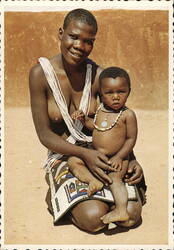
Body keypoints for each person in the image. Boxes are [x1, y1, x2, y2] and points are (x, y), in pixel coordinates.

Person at [29, 8, 146, 233]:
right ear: (61, 33)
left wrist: (130, 159)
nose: (80, 46)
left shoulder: (98, 76)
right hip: (67, 157)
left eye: (88, 41)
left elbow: (118, 122)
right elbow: (44, 135)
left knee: (131, 216)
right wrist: (84, 154)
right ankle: (56, 192)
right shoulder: (40, 74)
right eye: (73, 37)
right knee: (94, 218)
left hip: (105, 155)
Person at [68, 66, 137, 224]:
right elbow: (96, 127)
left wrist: (120, 157)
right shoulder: (100, 110)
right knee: (73, 161)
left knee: (115, 180)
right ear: (101, 93)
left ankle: (121, 210)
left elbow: (131, 139)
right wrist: (84, 120)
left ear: (129, 91)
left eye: (121, 92)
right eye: (109, 93)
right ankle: (93, 181)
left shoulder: (127, 115)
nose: (115, 97)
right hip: (96, 155)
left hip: (116, 158)